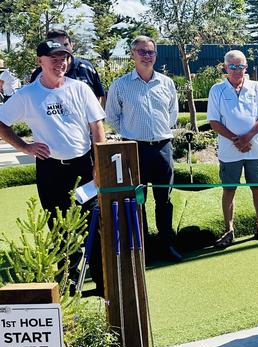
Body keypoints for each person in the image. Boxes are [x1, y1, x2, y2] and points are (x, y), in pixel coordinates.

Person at [0, 39, 106, 293]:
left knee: (94, 227)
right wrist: (25, 147)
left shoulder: (80, 89)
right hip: (50, 171)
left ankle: (104, 284)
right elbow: (2, 123)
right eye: (54, 58)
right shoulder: (27, 95)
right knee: (59, 231)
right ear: (40, 61)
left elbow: (97, 127)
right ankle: (68, 288)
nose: (61, 63)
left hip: (83, 168)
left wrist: (98, 164)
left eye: (64, 58)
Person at [105, 35, 182, 262]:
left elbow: (172, 114)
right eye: (142, 51)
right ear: (132, 54)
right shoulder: (120, 85)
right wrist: (130, 133)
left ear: (155, 56)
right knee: (139, 200)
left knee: (164, 200)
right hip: (134, 149)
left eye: (150, 52)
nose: (146, 56)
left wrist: (157, 133)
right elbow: (112, 117)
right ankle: (143, 248)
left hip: (162, 149)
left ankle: (166, 245)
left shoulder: (166, 83)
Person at [208, 50, 258, 248]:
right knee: (229, 190)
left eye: (241, 66)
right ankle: (229, 231)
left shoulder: (256, 88)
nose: (237, 70)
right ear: (226, 68)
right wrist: (236, 140)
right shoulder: (216, 90)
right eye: (233, 66)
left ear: (246, 67)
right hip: (229, 152)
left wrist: (247, 138)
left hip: (255, 150)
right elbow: (213, 121)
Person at [30, 29, 105, 103]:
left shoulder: (86, 68)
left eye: (65, 45)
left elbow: (100, 96)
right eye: (57, 45)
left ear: (72, 45)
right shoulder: (39, 74)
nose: (62, 48)